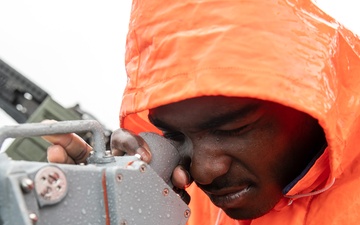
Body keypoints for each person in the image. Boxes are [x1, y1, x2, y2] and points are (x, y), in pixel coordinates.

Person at [44, 0, 360, 224]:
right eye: (174, 135)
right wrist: (108, 210)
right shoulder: (183, 208)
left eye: (234, 129)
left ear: (310, 100)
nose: (206, 172)